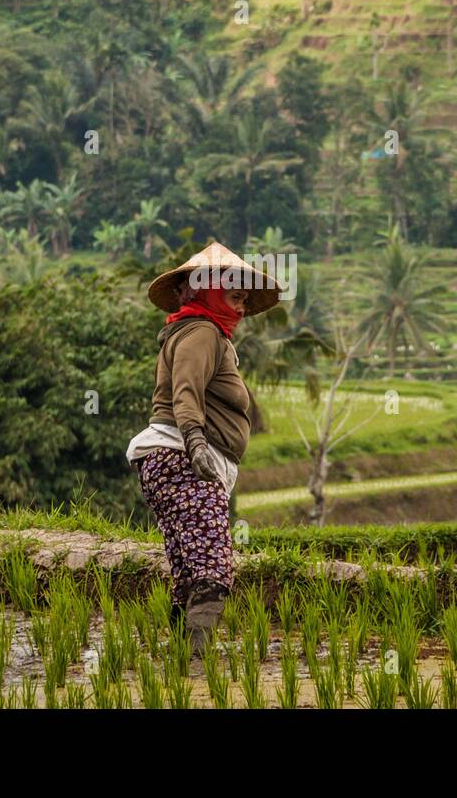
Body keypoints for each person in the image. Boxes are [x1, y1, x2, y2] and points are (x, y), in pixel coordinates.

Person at [126, 242, 282, 654]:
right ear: (210, 290)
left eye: (245, 299)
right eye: (235, 296)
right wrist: (195, 443)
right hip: (184, 458)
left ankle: (180, 657)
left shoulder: (198, 330)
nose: (243, 307)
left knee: (189, 572)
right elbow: (186, 394)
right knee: (212, 568)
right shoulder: (200, 332)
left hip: (172, 461)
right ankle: (195, 666)